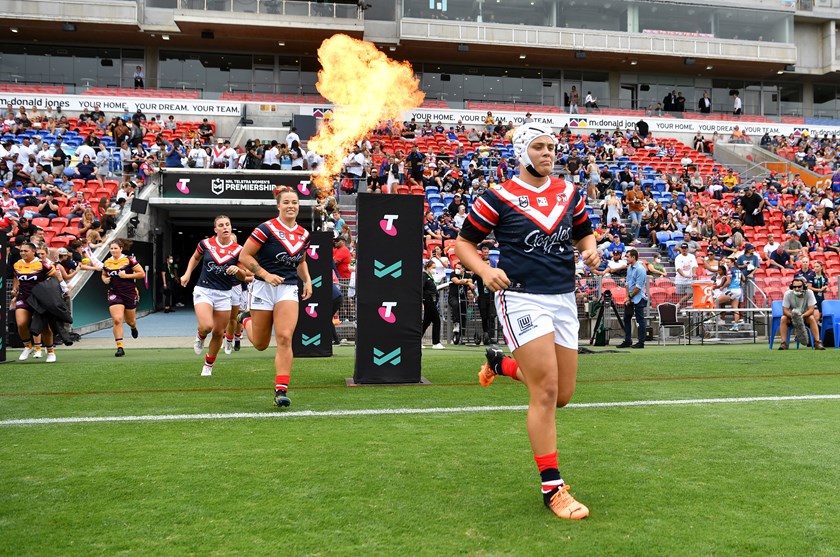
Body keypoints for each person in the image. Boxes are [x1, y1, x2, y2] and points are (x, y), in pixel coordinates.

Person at [455, 122, 599, 520]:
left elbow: (584, 235)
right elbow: (463, 243)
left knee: (563, 394)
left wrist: (590, 251)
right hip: (520, 298)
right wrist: (484, 272)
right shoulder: (497, 197)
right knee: (547, 390)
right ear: (522, 152)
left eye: (551, 147)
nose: (548, 154)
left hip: (564, 299)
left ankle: (501, 364)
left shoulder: (570, 193)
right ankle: (552, 488)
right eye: (538, 147)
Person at [237, 187, 313, 407]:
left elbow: (301, 261)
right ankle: (246, 319)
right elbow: (244, 255)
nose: (291, 206)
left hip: (288, 288)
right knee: (260, 344)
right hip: (262, 287)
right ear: (278, 205)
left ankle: (281, 391)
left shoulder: (304, 234)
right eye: (286, 202)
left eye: (295, 202)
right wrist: (264, 274)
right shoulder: (265, 229)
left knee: (284, 337)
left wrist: (307, 280)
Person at [179, 216, 243, 377]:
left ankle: (208, 365)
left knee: (217, 332)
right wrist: (187, 274)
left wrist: (238, 270)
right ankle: (200, 336)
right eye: (221, 225)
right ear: (215, 230)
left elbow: (244, 275)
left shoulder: (238, 250)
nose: (225, 227)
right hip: (204, 290)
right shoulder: (205, 244)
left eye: (227, 224)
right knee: (207, 326)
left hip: (224, 293)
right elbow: (195, 257)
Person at [12, 242, 58, 362]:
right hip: (23, 298)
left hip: (40, 299)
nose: (22, 253)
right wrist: (15, 288)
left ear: (33, 251)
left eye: (25, 251)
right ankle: (28, 346)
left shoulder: (42, 265)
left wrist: (53, 293)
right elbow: (16, 277)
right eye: (21, 251)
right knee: (21, 324)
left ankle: (50, 352)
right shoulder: (17, 264)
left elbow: (56, 276)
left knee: (44, 327)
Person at [101, 239, 145, 357]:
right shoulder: (107, 262)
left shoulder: (129, 260)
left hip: (129, 292)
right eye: (111, 248)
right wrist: (105, 280)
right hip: (114, 293)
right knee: (117, 319)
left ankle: (133, 327)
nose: (113, 250)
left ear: (121, 249)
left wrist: (126, 276)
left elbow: (141, 274)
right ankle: (120, 347)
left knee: (130, 321)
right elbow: (104, 274)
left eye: (116, 248)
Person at [778, 276, 825, 350]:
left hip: (805, 316)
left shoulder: (809, 293)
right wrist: (794, 316)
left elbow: (811, 309)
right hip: (792, 317)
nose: (796, 289)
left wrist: (801, 316)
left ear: (804, 286)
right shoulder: (787, 294)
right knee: (783, 318)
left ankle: (817, 343)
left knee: (812, 318)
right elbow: (785, 311)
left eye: (799, 287)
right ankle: (783, 343)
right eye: (794, 287)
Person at [617, 249, 647, 349]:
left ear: (633, 257)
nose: (626, 258)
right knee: (626, 318)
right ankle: (628, 340)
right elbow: (627, 283)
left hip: (638, 298)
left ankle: (641, 342)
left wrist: (629, 297)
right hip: (631, 298)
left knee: (640, 320)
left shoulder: (640, 269)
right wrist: (627, 297)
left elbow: (638, 287)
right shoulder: (630, 268)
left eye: (628, 256)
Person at [421, 259, 444, 349]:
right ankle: (436, 342)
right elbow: (421, 288)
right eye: (433, 267)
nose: (435, 269)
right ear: (428, 267)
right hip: (428, 300)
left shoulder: (430, 276)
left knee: (426, 322)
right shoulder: (424, 275)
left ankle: (417, 340)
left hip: (432, 300)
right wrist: (421, 300)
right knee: (436, 320)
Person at [674, 242, 698, 307]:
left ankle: (677, 305)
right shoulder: (678, 257)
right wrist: (684, 275)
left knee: (690, 294)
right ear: (680, 249)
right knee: (681, 296)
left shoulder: (692, 256)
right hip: (680, 280)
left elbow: (694, 266)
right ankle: (683, 309)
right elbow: (678, 269)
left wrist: (694, 273)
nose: (684, 249)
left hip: (689, 280)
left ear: (687, 249)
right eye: (682, 248)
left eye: (685, 248)